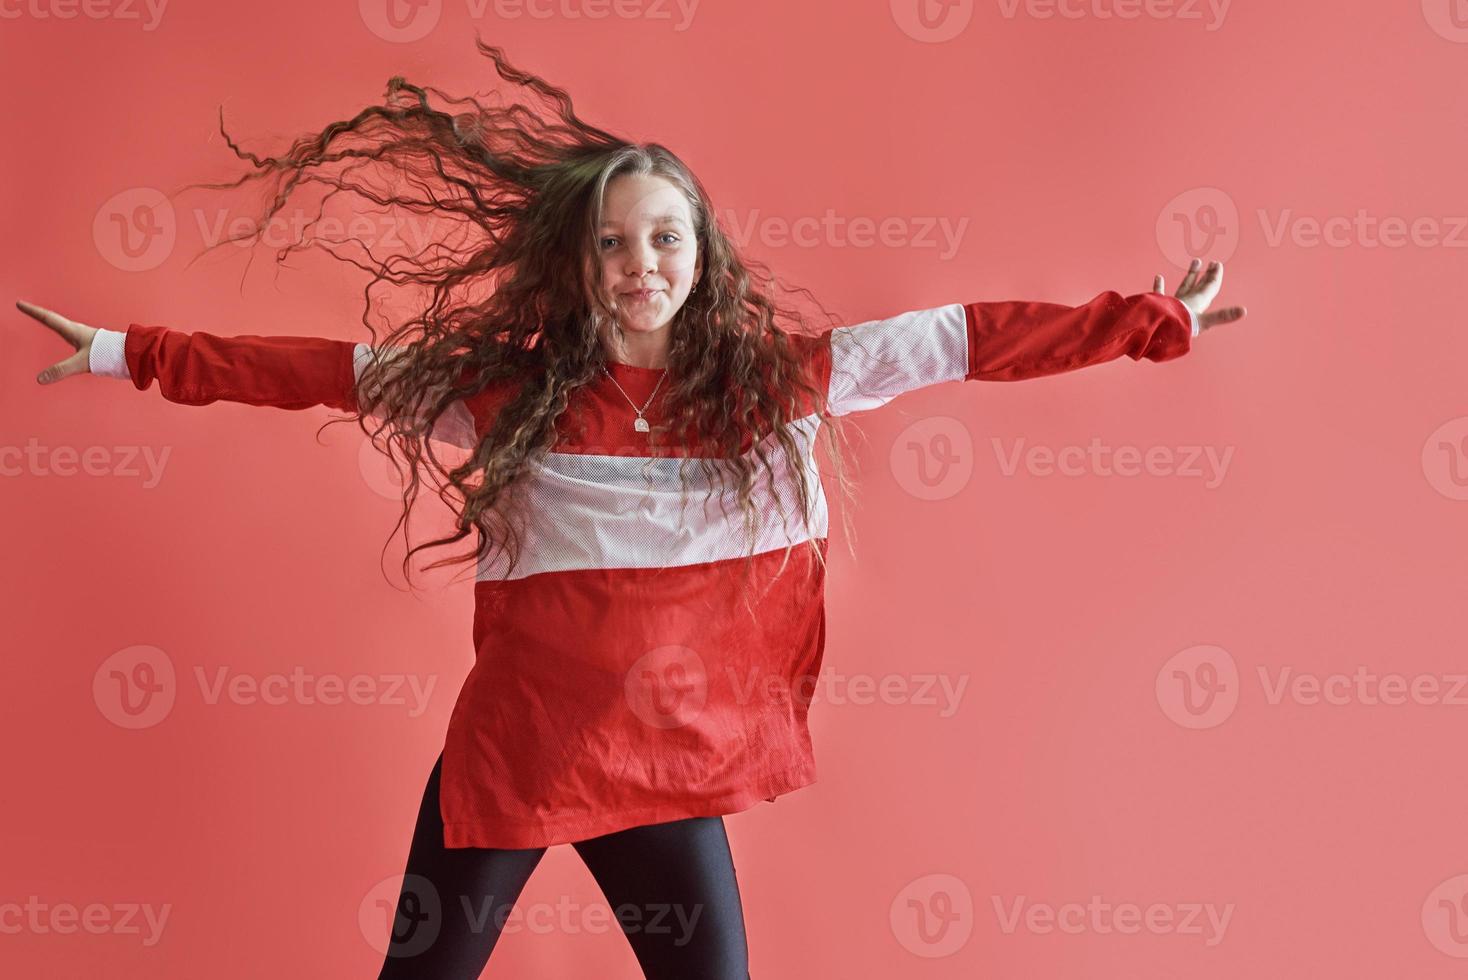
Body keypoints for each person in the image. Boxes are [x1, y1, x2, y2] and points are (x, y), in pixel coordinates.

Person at [16, 39, 1246, 980]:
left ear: (700, 252)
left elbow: (968, 339)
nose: (640, 263)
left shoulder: (783, 383)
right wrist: (133, 350)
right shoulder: (500, 397)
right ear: (582, 261)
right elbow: (321, 373)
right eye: (614, 244)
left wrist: (1156, 321)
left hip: (664, 771)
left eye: (664, 237)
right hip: (516, 757)